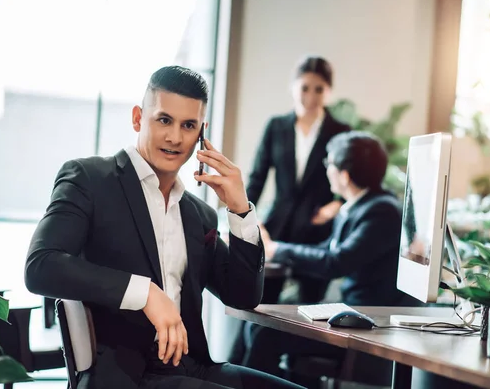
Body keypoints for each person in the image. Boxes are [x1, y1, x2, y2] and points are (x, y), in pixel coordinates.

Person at [25, 66, 304, 389]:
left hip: (193, 368)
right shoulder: (89, 180)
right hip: (125, 377)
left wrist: (240, 210)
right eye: (164, 120)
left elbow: (242, 296)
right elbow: (40, 267)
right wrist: (145, 293)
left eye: (188, 125)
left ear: (202, 132)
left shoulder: (198, 215)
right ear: (137, 118)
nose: (175, 138)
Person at [241, 131, 420, 384]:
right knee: (257, 327)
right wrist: (277, 248)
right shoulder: (360, 205)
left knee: (263, 334)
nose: (327, 170)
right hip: (350, 313)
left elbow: (336, 262)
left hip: (366, 322)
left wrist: (277, 250)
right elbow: (327, 250)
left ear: (344, 175)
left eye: (329, 164)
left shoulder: (381, 211)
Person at [246, 55, 351, 305]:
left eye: (319, 89)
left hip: (317, 229)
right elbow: (257, 177)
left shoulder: (340, 132)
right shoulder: (276, 126)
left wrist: (335, 206)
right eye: (304, 88)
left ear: (329, 92)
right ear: (293, 87)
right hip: (277, 227)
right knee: (263, 302)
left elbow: (350, 179)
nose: (311, 96)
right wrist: (248, 218)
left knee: (310, 308)